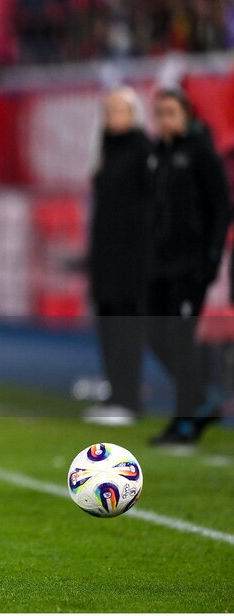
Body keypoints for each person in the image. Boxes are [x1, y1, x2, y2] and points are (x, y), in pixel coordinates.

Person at [146, 87, 231, 446]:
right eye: (160, 112)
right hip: (157, 265)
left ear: (186, 116)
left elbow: (222, 208)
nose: (165, 119)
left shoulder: (200, 154)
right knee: (154, 334)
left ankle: (184, 422)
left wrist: (210, 258)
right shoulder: (156, 156)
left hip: (190, 265)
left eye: (171, 113)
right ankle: (199, 400)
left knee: (181, 338)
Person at [83, 86, 153, 426]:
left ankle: (129, 397)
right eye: (108, 110)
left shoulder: (143, 150)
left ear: (134, 113)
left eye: (119, 110)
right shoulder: (106, 150)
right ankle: (114, 393)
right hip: (105, 256)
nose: (112, 117)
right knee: (107, 325)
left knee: (127, 327)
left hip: (131, 256)